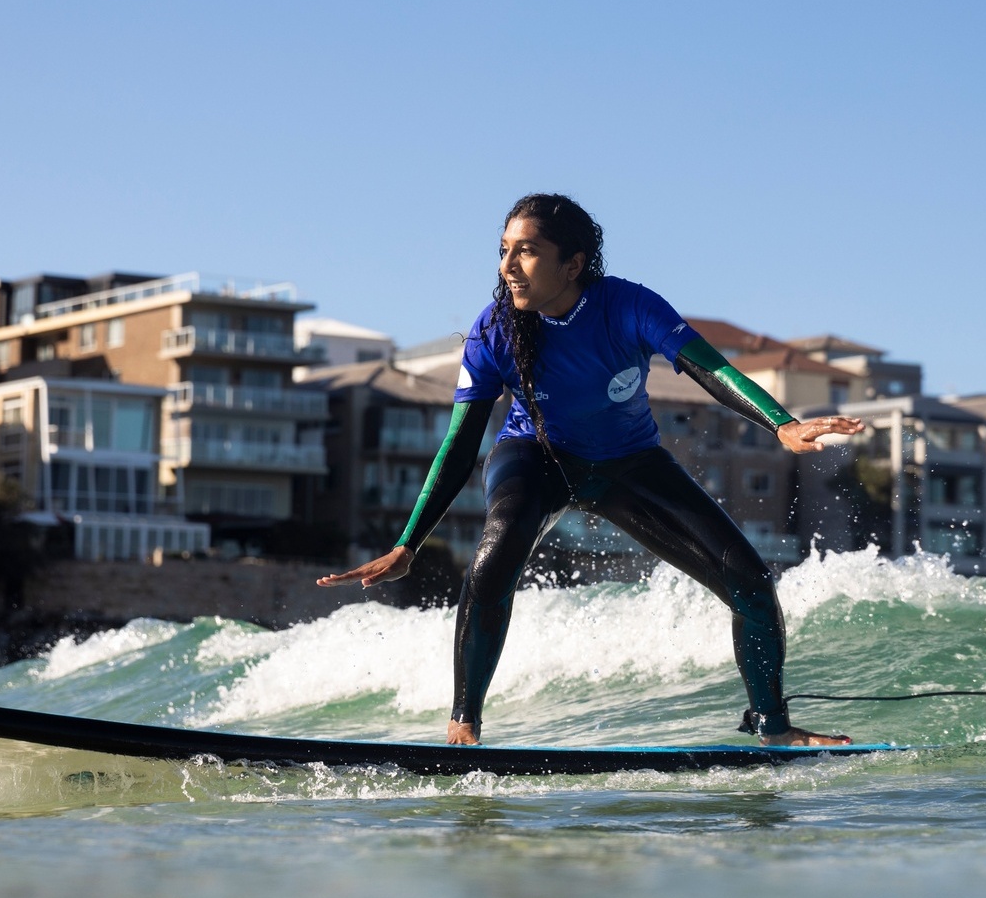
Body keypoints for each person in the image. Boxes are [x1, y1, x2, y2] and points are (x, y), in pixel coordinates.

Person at [319, 194, 865, 747]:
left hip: (629, 463)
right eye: (504, 250)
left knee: (750, 581)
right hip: (535, 457)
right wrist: (409, 544)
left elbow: (710, 368)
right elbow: (460, 444)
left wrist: (780, 423)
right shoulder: (493, 330)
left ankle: (773, 727)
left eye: (526, 252)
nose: (507, 266)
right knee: (497, 549)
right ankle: (464, 725)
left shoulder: (628, 306)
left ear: (573, 264)